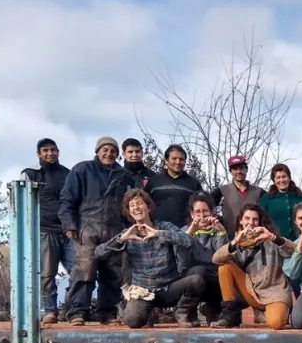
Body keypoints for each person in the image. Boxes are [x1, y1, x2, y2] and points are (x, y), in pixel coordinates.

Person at [93, 189, 205, 329]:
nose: (136, 208)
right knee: (133, 321)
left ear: (148, 207)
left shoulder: (164, 227)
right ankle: (149, 314)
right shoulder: (127, 234)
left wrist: (159, 234)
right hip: (144, 292)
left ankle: (182, 312)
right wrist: (121, 239)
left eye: (139, 203)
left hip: (169, 288)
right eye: (132, 206)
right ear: (129, 212)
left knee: (197, 280)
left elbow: (188, 240)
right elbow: (99, 253)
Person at [59, 136, 136, 326]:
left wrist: (132, 228)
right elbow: (67, 199)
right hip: (87, 228)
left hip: (115, 229)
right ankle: (77, 311)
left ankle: (106, 313)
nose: (109, 153)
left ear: (118, 154)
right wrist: (69, 225)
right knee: (84, 271)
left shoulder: (124, 176)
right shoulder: (82, 170)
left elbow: (132, 204)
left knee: (112, 274)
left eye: (113, 151)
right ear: (97, 151)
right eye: (105, 150)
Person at [211, 203, 294, 330]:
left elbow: (293, 250)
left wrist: (272, 237)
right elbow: (216, 259)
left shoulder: (271, 240)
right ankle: (230, 316)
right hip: (251, 291)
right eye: (247, 218)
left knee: (276, 323)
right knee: (225, 267)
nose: (251, 223)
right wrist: (236, 241)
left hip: (274, 293)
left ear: (260, 222)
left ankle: (270, 312)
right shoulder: (237, 245)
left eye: (255, 219)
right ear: (241, 221)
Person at [21, 138, 71, 325]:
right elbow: (22, 202)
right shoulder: (30, 174)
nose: (50, 153)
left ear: (58, 151)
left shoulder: (67, 174)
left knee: (79, 271)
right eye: (45, 150)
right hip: (44, 230)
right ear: (39, 154)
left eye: (53, 150)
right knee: (47, 273)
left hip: (67, 230)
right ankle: (50, 310)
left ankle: (70, 308)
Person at [181, 191, 227, 323]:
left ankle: (213, 309)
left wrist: (221, 233)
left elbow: (221, 256)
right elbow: (181, 259)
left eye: (205, 211)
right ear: (192, 214)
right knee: (198, 272)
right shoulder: (184, 231)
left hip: (213, 274)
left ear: (212, 212)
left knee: (223, 272)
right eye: (198, 212)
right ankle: (190, 310)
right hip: (191, 276)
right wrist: (189, 234)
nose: (202, 215)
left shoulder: (218, 230)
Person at [147, 144, 203, 227]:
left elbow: (201, 206)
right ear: (166, 160)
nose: (178, 162)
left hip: (185, 231)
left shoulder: (193, 183)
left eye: (181, 159)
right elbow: (145, 205)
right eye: (174, 158)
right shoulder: (153, 182)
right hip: (157, 231)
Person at [211, 155, 264, 235]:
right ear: (231, 171)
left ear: (246, 170)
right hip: (230, 238)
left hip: (254, 238)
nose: (239, 171)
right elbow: (206, 205)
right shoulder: (222, 191)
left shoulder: (258, 192)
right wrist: (218, 219)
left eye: (241, 168)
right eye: (235, 169)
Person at [259, 163, 302, 243]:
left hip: (300, 242)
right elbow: (260, 221)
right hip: (274, 244)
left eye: (284, 176)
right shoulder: (266, 199)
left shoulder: (300, 197)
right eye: (278, 177)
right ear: (274, 180)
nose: (282, 180)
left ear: (289, 178)